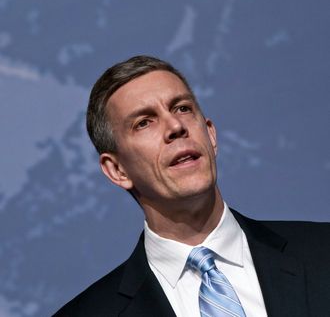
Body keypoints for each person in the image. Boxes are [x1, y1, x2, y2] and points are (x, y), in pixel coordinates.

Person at [53, 55, 330, 317]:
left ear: (210, 134)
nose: (175, 126)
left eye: (182, 108)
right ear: (117, 170)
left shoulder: (321, 253)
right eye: (144, 122)